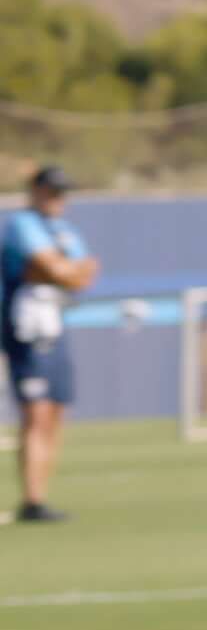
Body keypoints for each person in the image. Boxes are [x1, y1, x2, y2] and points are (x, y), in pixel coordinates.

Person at [1, 168, 95, 524]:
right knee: (36, 413)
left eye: (63, 193)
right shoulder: (22, 224)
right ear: (36, 191)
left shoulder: (65, 230)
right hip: (27, 330)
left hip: (56, 328)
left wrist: (64, 271)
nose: (58, 199)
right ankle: (32, 498)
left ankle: (40, 496)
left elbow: (84, 274)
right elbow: (50, 269)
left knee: (57, 411)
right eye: (52, 192)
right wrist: (62, 270)